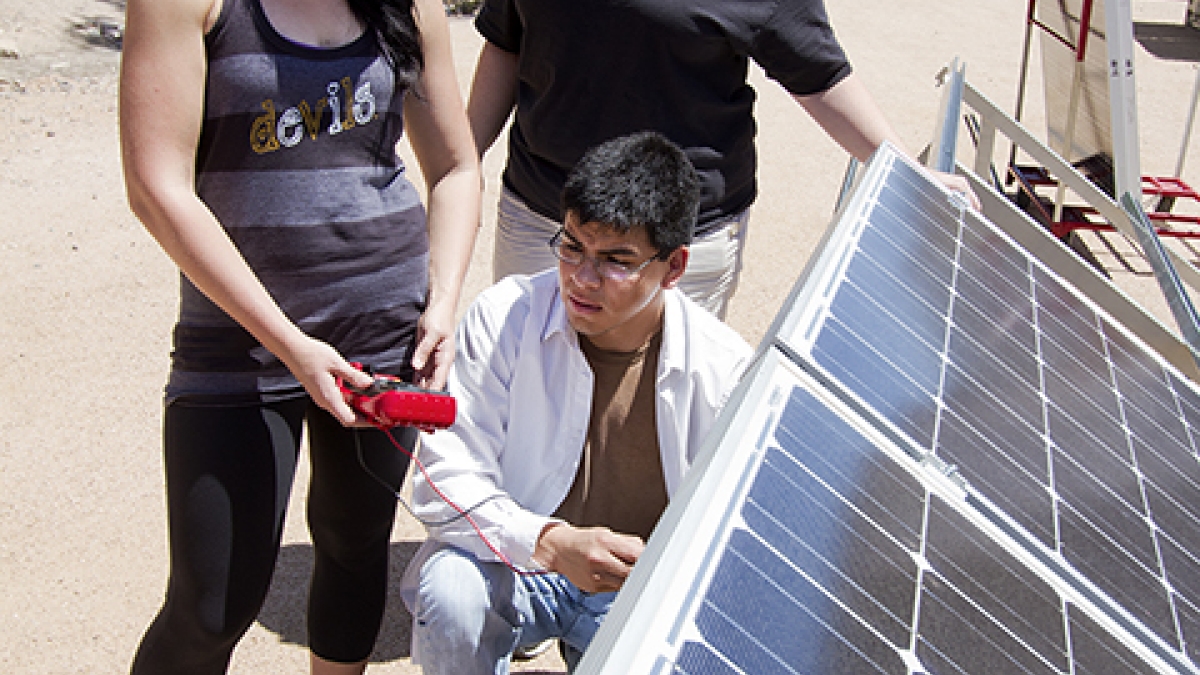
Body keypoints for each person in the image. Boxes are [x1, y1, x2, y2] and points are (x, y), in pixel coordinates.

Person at [118, 0, 480, 671]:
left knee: (355, 541)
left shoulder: (411, 4)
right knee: (211, 605)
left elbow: (457, 168)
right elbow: (155, 185)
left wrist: (444, 301)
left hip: (383, 324)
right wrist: (290, 342)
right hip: (238, 343)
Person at [399, 131, 754, 674]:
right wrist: (548, 541)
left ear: (675, 267)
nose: (582, 280)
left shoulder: (723, 369)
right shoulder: (505, 317)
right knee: (451, 593)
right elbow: (442, 474)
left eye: (616, 260)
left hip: (634, 591)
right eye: (571, 247)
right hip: (521, 561)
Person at [466, 0, 978, 319]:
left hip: (676, 242)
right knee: (532, 386)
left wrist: (905, 169)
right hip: (544, 220)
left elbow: (819, 73)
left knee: (653, 421)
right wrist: (459, 165)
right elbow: (508, 42)